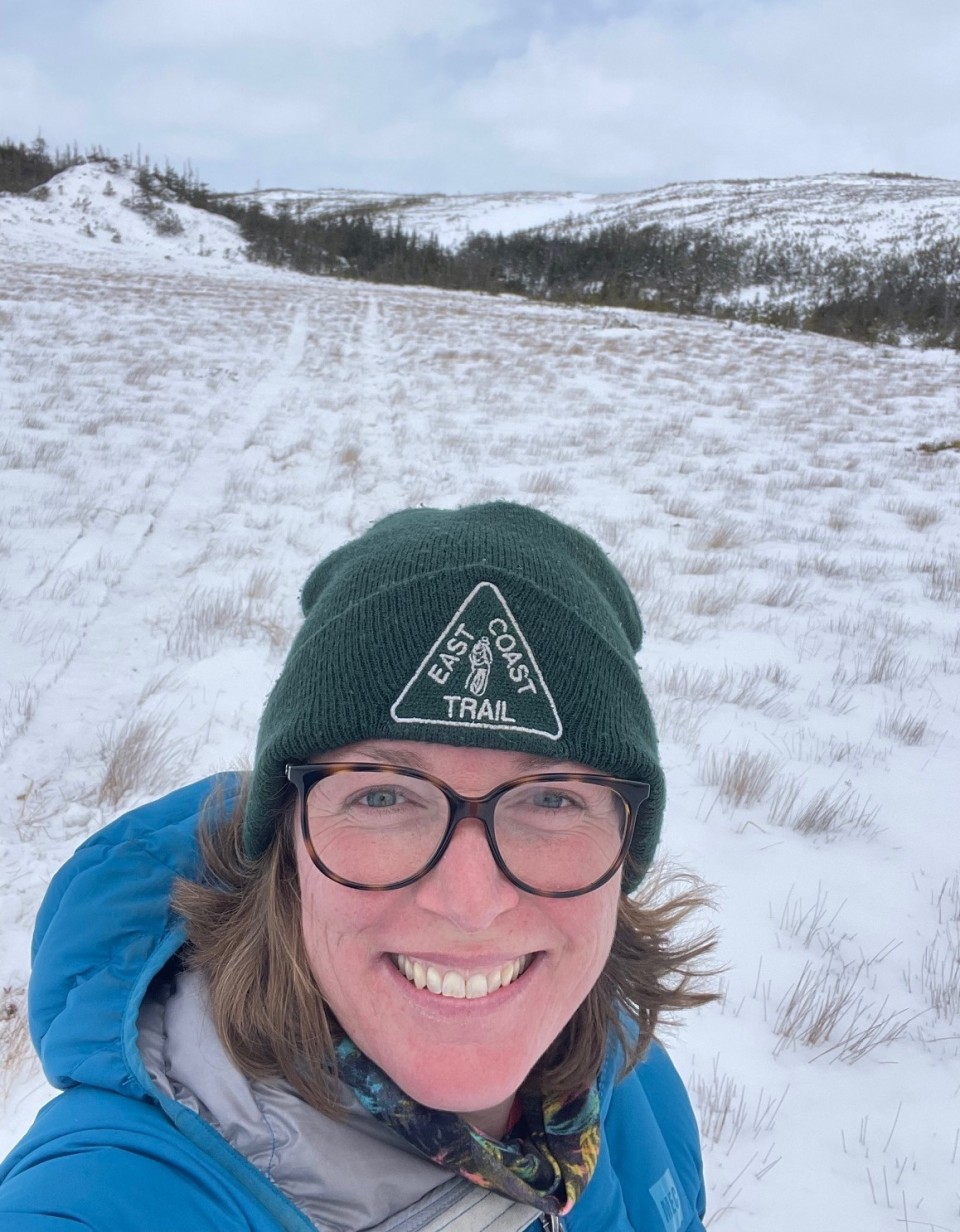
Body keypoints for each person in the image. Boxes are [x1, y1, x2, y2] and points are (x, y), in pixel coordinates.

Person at [0, 502, 715, 1231]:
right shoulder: (120, 1193)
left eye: (552, 799)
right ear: (287, 842)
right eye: (383, 796)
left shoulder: (621, 1062)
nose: (470, 903)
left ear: (626, 846)